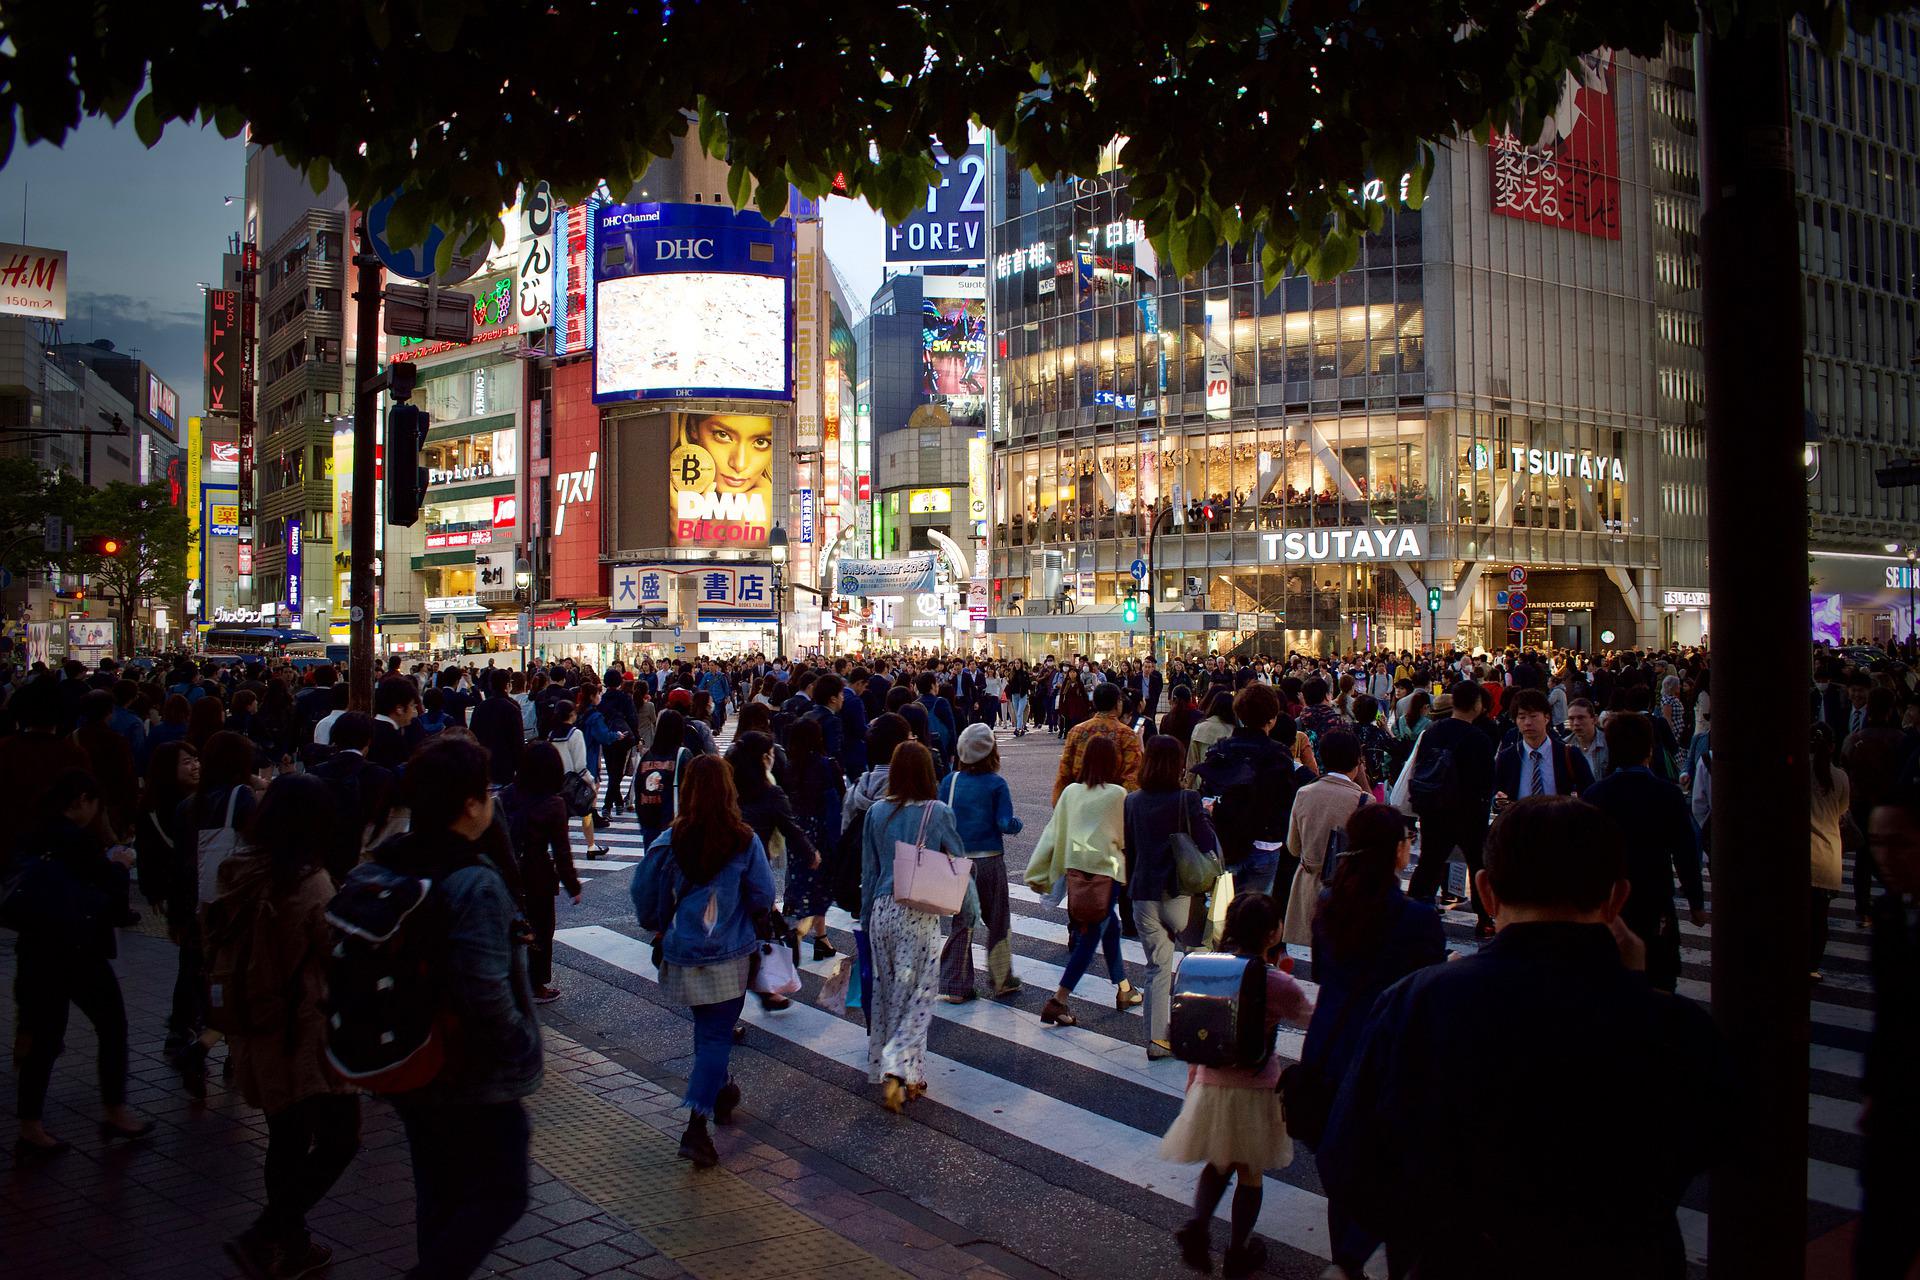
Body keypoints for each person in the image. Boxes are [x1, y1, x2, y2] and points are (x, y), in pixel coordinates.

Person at [1318, 795, 1728, 1279]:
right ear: (1617, 897)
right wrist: (1634, 988)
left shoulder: (1421, 1003)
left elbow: (1351, 1160)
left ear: (1487, 892)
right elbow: (1705, 1141)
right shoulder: (1675, 1027)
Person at [372, 736, 543, 1279]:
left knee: (437, 1189)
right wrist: (521, 1045)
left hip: (408, 1049)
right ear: (469, 805)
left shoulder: (390, 860)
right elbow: (485, 990)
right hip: (469, 1067)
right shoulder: (472, 880)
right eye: (485, 792)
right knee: (503, 1191)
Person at [209, 775, 360, 1280]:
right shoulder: (307, 881)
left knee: (285, 1138)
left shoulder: (239, 869)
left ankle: (291, 1245)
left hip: (255, 1019)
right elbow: (335, 951)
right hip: (306, 1027)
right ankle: (267, 1234)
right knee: (340, 1138)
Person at [1301, 805, 1445, 1280]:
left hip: (1331, 1045)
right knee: (1399, 1168)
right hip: (1392, 1053)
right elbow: (1426, 991)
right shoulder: (1419, 919)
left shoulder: (1329, 903)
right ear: (1397, 851)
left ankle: (1347, 1257)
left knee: (1343, 1162)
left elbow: (1323, 974)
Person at [631, 754, 775, 1166]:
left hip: (684, 954)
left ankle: (722, 1088)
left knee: (707, 1032)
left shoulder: (668, 842)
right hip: (730, 954)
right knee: (716, 1036)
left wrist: (662, 921)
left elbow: (645, 901)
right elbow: (763, 896)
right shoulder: (744, 840)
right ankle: (696, 1125)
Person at [1162, 892, 1313, 1279]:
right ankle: (1238, 1251)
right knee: (1250, 1171)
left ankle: (1197, 1225)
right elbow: (1309, 1017)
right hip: (1256, 1087)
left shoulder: (1212, 971)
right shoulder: (1276, 981)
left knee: (1219, 1160)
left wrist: (1193, 1081)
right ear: (1271, 933)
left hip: (1211, 1084)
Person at [10, 770, 154, 1160]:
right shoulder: (76, 840)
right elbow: (105, 887)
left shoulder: (35, 834)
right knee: (111, 1025)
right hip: (77, 948)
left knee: (45, 1035)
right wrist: (121, 864)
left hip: (37, 946)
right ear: (83, 801)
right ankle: (115, 1110)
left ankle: (31, 1126)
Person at [859, 740, 967, 1111]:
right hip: (916, 914)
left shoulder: (875, 813)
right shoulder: (937, 812)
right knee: (918, 999)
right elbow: (957, 860)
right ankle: (899, 1069)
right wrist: (967, 910)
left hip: (880, 912)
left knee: (888, 996)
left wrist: (864, 919)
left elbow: (869, 871)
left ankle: (905, 1072)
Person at [1582, 713, 1705, 992]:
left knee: (1612, 978)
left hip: (1609, 900)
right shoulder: (1667, 794)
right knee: (1659, 976)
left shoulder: (1595, 795)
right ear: (1650, 749)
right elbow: (1685, 852)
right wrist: (1695, 900)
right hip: (1655, 895)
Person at [1027, 735, 1139, 1025]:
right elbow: (1125, 837)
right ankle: (1059, 1000)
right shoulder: (1117, 794)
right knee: (1092, 936)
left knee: (1107, 925)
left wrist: (1039, 872)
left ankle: (1124, 987)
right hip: (1107, 873)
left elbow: (1053, 833)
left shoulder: (1071, 793)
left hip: (1077, 872)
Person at [1125, 734, 1217, 1059]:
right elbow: (1206, 844)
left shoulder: (1132, 801)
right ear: (1178, 764)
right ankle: (1199, 1026)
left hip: (1142, 894)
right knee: (1200, 952)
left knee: (1156, 968)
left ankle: (1157, 1040)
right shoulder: (1187, 799)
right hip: (1178, 893)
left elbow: (1130, 850)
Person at [1860, 785, 1920, 1279]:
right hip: (1898, 1106)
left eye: (1899, 843)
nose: (1886, 857)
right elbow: (1888, 1015)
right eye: (1877, 844)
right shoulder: (1889, 912)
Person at [727, 729, 817, 1012]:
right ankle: (763, 988)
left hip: (726, 869)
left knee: (742, 931)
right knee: (763, 930)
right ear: (764, 758)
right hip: (756, 869)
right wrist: (812, 854)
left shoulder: (730, 786)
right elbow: (790, 827)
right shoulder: (770, 791)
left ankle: (757, 991)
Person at [938, 723, 1025, 1001]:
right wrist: (1016, 824)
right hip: (989, 860)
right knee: (998, 920)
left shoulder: (949, 781)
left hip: (959, 861)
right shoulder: (996, 784)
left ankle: (956, 985)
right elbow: (1004, 822)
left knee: (963, 923)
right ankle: (1001, 979)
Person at [1404, 681, 1497, 935]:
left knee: (1430, 861)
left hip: (1434, 808)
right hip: (1469, 812)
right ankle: (1485, 917)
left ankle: (1415, 911)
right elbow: (1487, 780)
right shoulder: (1479, 738)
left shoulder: (1433, 731)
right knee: (1478, 863)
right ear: (1477, 705)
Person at [497, 742, 582, 1004]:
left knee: (510, 926)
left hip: (507, 871)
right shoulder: (554, 804)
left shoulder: (507, 795)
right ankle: (536, 985)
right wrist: (573, 885)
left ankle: (509, 979)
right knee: (542, 930)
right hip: (538, 875)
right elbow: (561, 851)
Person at [1281, 731, 1373, 947]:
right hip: (1348, 890)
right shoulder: (1364, 801)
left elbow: (1293, 848)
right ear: (1357, 762)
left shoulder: (1304, 793)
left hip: (1309, 884)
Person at [782, 716, 844, 960]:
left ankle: (818, 936)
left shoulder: (789, 767)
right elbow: (841, 797)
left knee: (802, 882)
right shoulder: (827, 764)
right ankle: (806, 932)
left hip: (797, 831)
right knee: (823, 886)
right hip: (823, 831)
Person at [1809, 722, 1850, 982]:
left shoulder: (1794, 768)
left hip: (1799, 856)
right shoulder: (1840, 776)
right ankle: (1811, 965)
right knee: (1818, 918)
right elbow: (1843, 812)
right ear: (1832, 747)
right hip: (1827, 856)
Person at [546, 699, 606, 855]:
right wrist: (590, 781)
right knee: (586, 813)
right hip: (574, 782)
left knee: (561, 819)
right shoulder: (575, 734)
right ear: (572, 714)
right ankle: (591, 846)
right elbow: (580, 765)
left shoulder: (552, 735)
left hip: (555, 782)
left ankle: (560, 851)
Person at [631, 709, 693, 847]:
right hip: (672, 820)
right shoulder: (682, 754)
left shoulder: (647, 756)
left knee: (653, 861)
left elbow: (638, 784)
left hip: (648, 819)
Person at [1564, 697, 1608, 781]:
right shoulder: (1565, 746)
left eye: (1581, 718)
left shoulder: (1609, 742)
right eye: (1571, 719)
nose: (1576, 723)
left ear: (1594, 719)